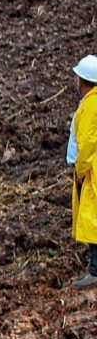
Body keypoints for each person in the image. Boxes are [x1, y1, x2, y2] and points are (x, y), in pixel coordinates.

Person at [71, 53, 97, 289]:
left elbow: (88, 142)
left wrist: (80, 170)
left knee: (92, 219)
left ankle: (95, 271)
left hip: (92, 171)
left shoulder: (90, 105)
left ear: (82, 82)